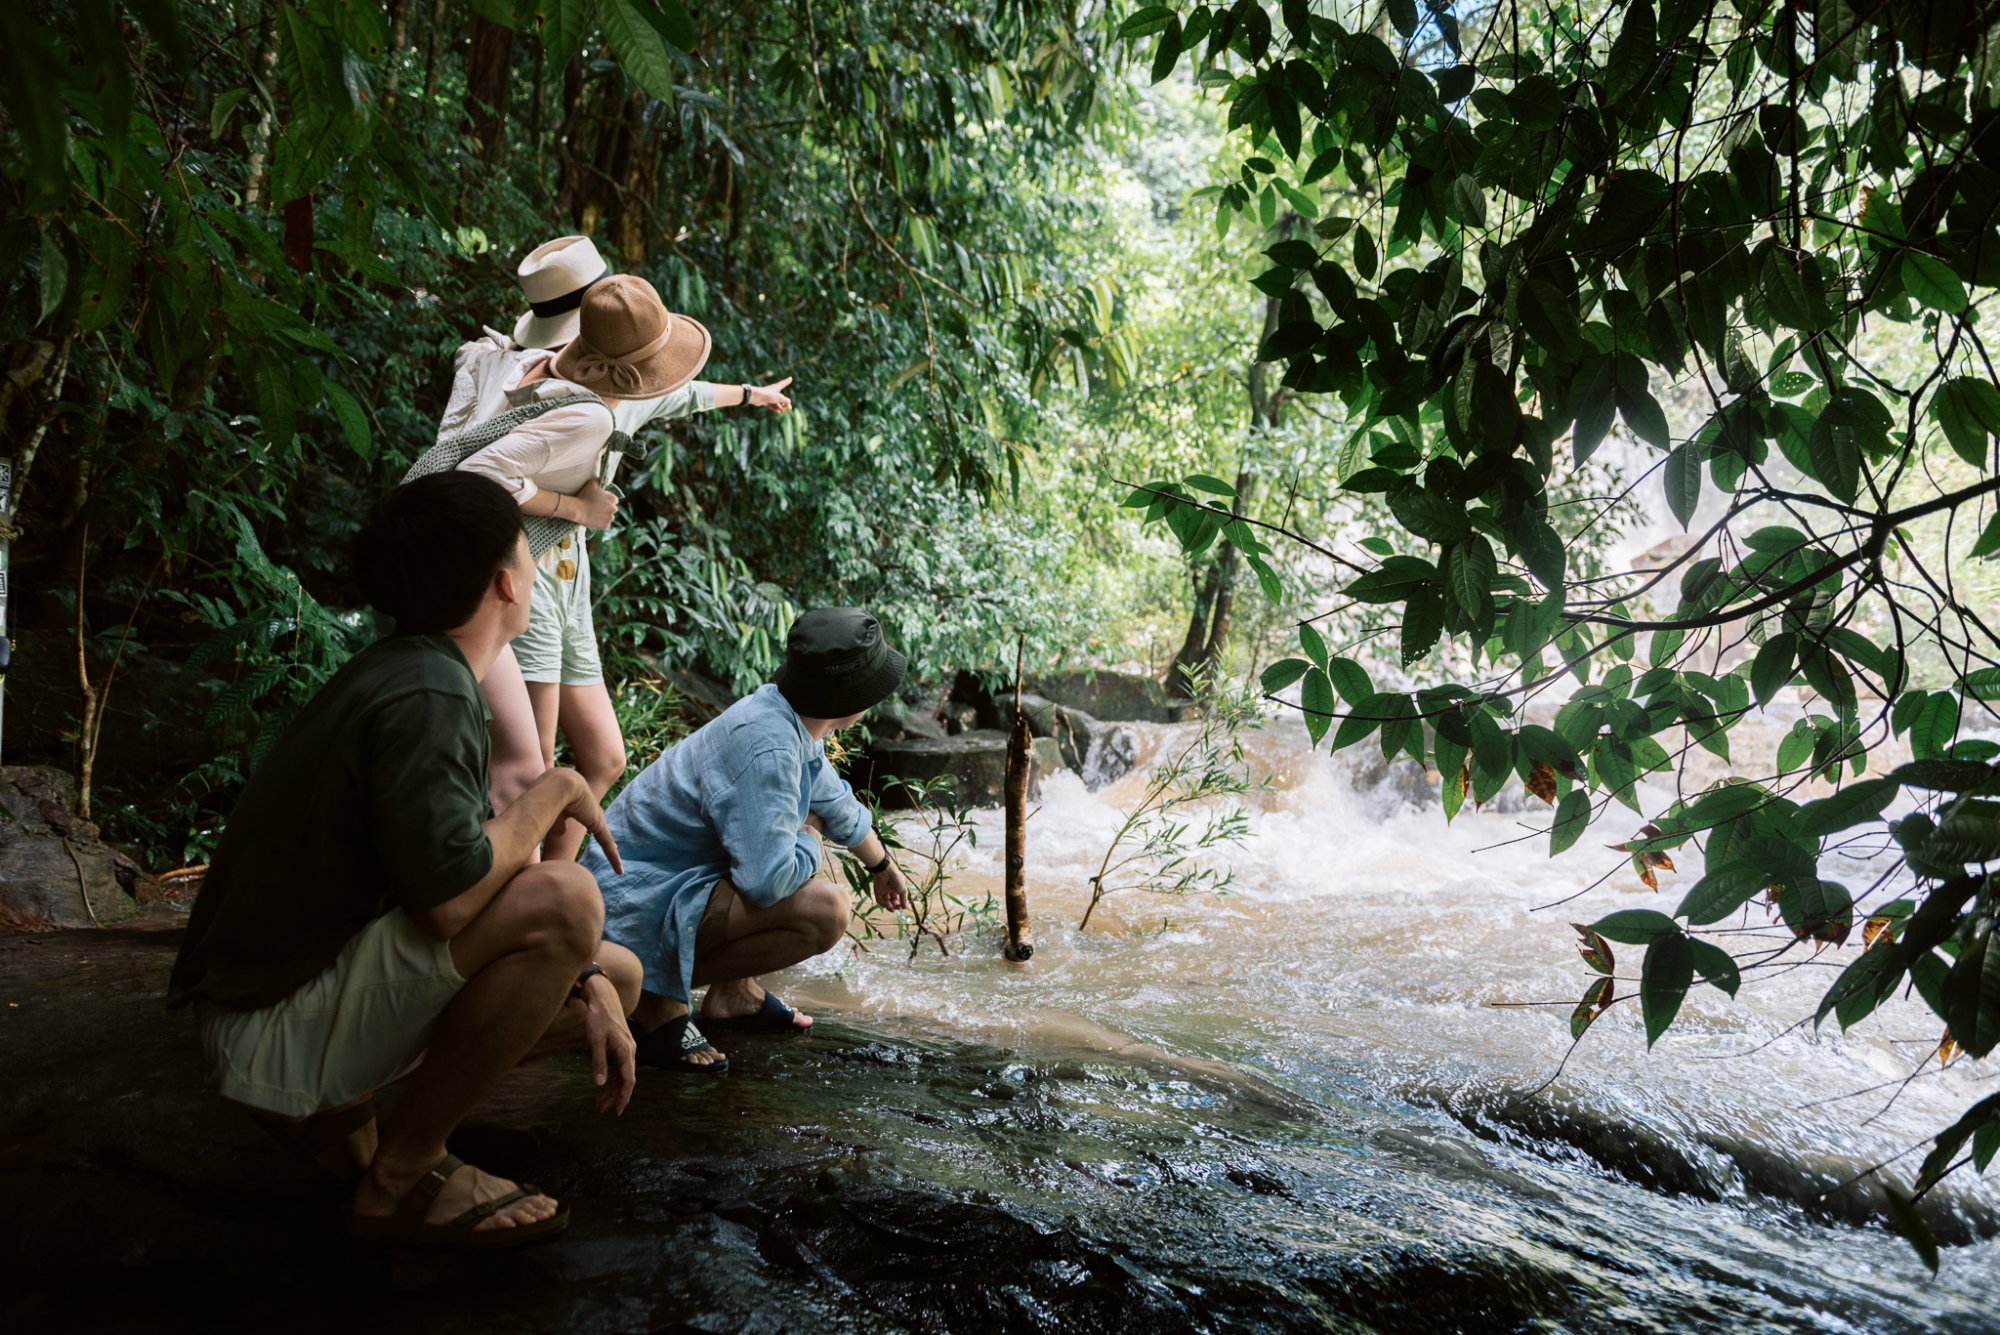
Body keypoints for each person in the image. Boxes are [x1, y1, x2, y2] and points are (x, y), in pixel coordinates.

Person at [167, 472, 643, 1249]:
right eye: (528, 555)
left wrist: (585, 978)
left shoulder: (412, 669)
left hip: (272, 997)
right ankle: (406, 1167)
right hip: (269, 1031)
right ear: (504, 583)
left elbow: (447, 863)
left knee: (610, 974)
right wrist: (557, 786)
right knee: (570, 902)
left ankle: (350, 1127)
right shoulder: (430, 693)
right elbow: (450, 901)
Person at [435, 240, 797, 851]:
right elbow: (472, 474)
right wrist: (576, 507)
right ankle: (522, 909)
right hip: (523, 573)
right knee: (530, 770)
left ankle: (552, 886)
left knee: (603, 755)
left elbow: (678, 393)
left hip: (569, 579)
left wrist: (747, 393)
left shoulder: (616, 378)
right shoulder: (537, 387)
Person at [582, 608, 913, 1073]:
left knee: (771, 859)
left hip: (665, 882)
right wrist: (811, 839)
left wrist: (882, 867)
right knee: (825, 911)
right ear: (850, 697)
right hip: (634, 900)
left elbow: (833, 799)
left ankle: (735, 992)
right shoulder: (769, 748)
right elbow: (766, 881)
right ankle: (654, 996)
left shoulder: (784, 715)